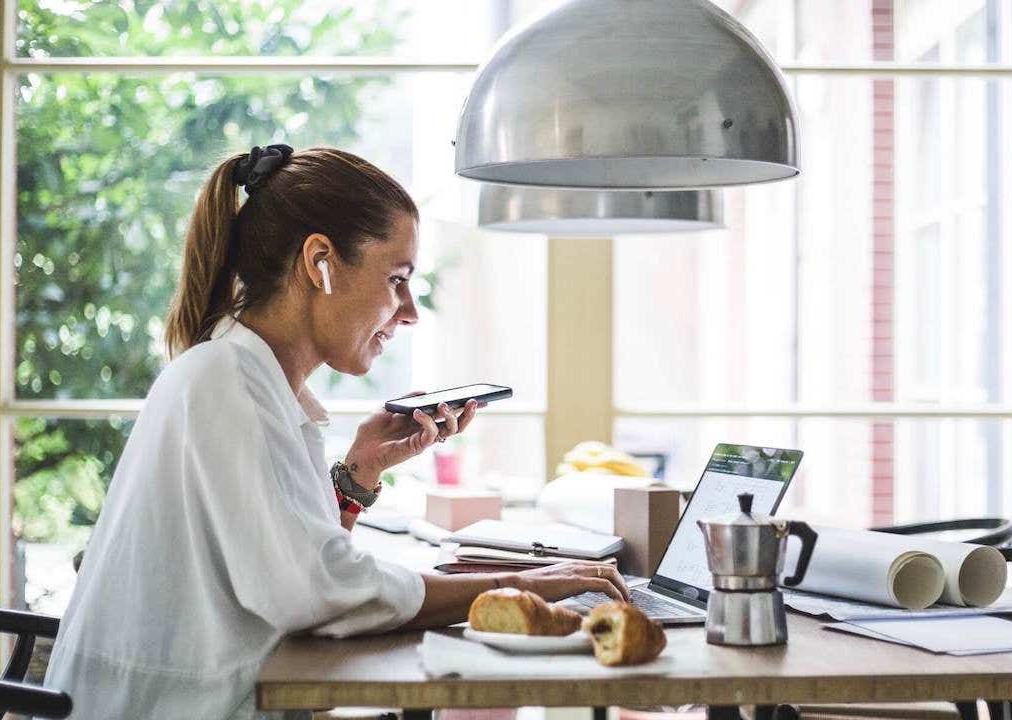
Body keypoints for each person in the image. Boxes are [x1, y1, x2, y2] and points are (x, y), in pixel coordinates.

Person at [42, 145, 630, 719]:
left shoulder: (245, 377)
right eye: (397, 279)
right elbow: (313, 591)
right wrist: (520, 584)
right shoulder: (226, 382)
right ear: (318, 260)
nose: (409, 311)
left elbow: (293, 559)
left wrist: (360, 472)